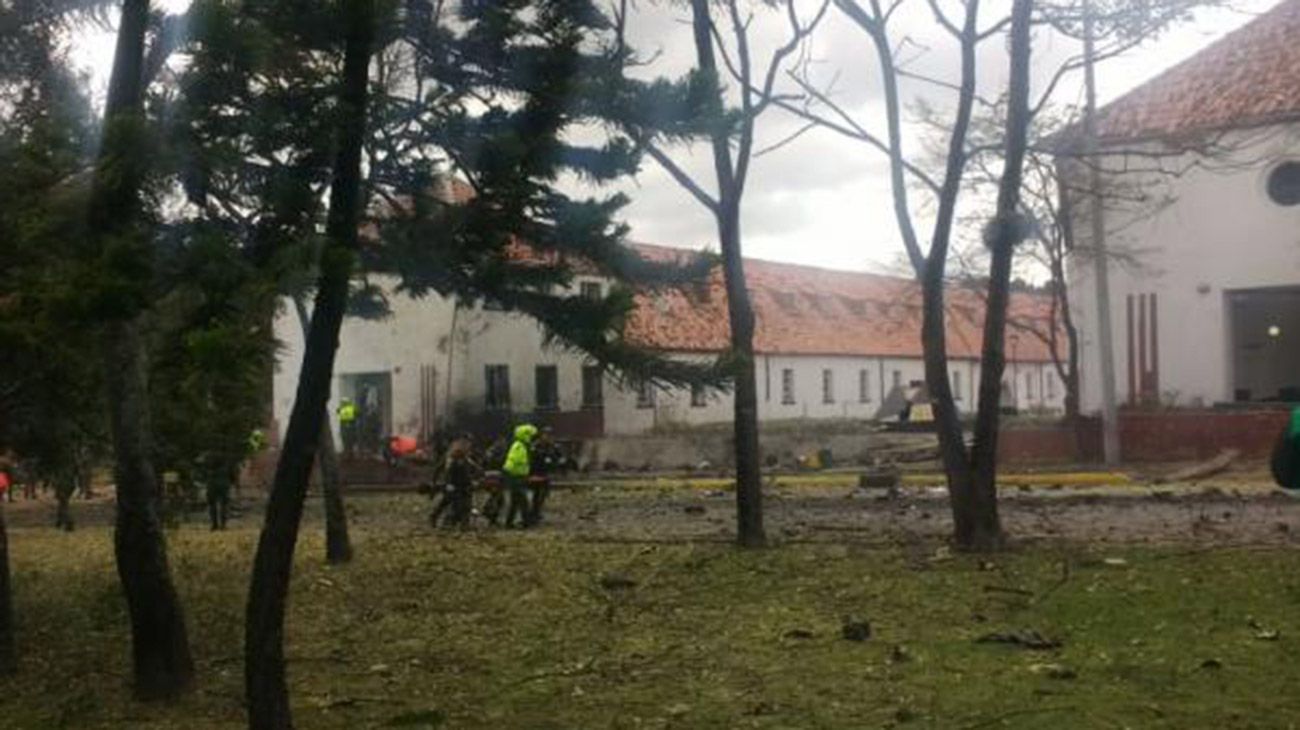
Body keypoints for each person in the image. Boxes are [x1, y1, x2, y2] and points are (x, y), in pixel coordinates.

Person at [525, 428, 563, 527]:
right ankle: (532, 515)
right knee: (535, 495)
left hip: (545, 474)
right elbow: (533, 459)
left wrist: (555, 457)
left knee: (543, 495)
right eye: (546, 435)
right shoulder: (536, 446)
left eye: (550, 435)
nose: (548, 437)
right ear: (541, 435)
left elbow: (558, 457)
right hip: (535, 473)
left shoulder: (552, 446)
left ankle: (536, 513)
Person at [501, 424, 537, 528]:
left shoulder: (521, 445)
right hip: (516, 477)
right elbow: (512, 462)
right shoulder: (520, 446)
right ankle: (526, 522)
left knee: (516, 501)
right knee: (522, 501)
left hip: (518, 477)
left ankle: (509, 523)